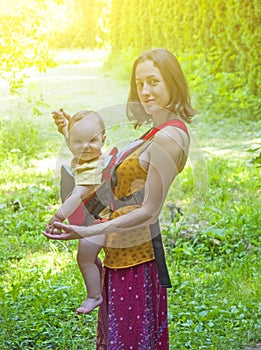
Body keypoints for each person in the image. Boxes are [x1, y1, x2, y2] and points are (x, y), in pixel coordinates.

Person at [44, 48, 196, 349]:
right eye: (140, 83)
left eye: (154, 81)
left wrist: (86, 231)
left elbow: (149, 211)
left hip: (136, 258)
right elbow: (108, 174)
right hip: (121, 248)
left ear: (172, 83)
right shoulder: (157, 130)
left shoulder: (169, 136)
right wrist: (70, 133)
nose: (145, 91)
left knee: (129, 340)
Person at [48, 109, 106, 314]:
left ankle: (94, 296)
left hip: (103, 221)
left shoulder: (94, 168)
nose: (85, 147)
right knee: (90, 256)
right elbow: (74, 140)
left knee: (84, 256)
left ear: (103, 140)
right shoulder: (86, 154)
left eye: (92, 140)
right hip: (95, 218)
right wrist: (65, 127)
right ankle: (102, 284)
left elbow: (77, 195)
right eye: (78, 142)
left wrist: (58, 216)